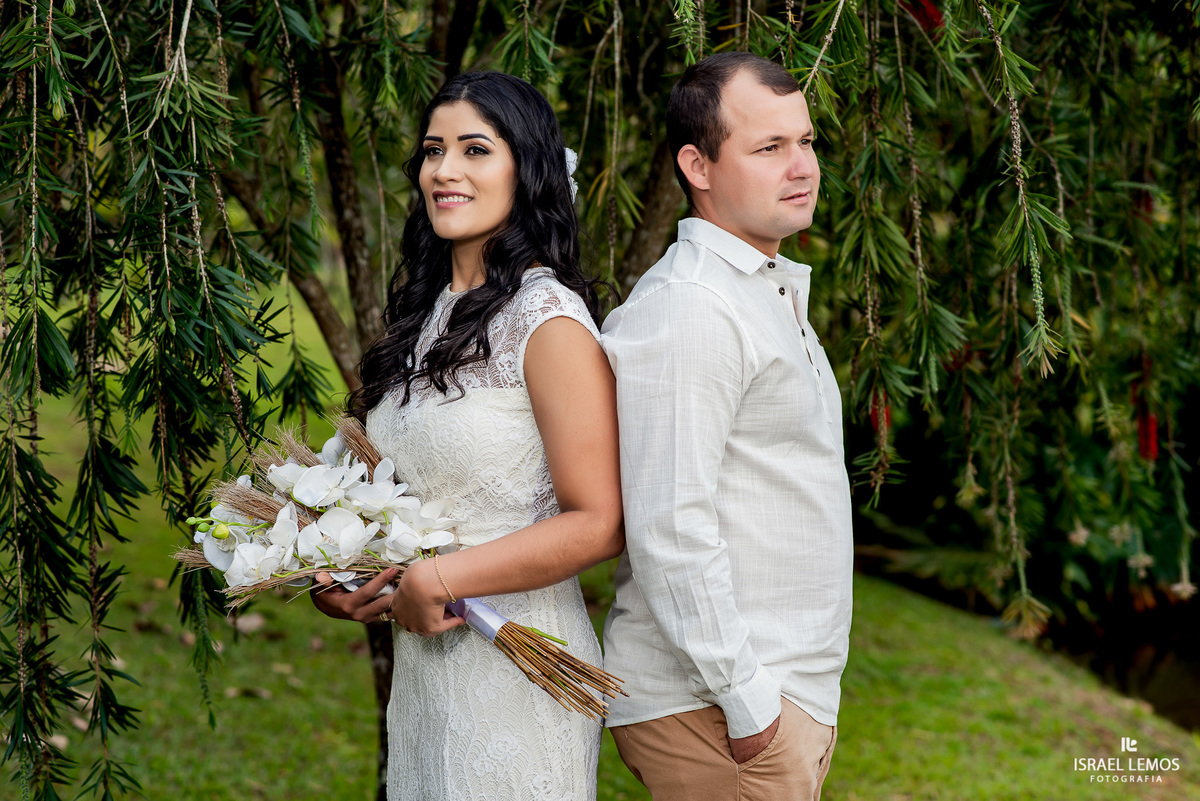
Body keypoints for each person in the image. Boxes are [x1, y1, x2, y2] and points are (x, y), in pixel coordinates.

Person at [308, 71, 624, 801]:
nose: (444, 170)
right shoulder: (429, 316)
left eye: (475, 149)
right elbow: (409, 485)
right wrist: (338, 575)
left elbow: (599, 521)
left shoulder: (548, 322)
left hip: (519, 671)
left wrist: (439, 578)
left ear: (528, 168)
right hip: (426, 678)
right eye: (432, 150)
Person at [600, 51, 852, 801]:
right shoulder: (691, 308)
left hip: (774, 701)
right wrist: (748, 704)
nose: (800, 166)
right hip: (720, 712)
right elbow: (671, 525)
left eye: (805, 142)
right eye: (769, 148)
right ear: (697, 165)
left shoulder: (761, 290)